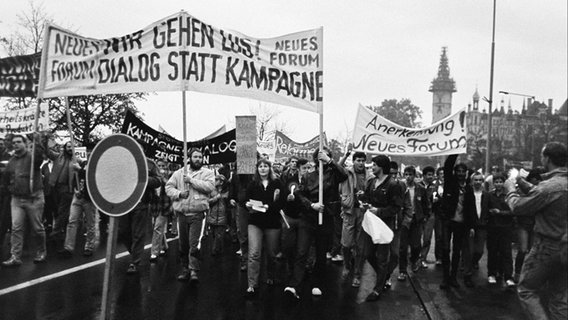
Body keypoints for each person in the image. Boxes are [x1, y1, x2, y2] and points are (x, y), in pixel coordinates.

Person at [504, 142, 567, 320]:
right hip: (565, 248)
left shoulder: (549, 187)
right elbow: (543, 196)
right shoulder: (555, 186)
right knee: (560, 296)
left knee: (526, 289)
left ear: (547, 158)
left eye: (542, 156)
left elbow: (519, 207)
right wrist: (522, 182)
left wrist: (510, 190)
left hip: (546, 248)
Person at [285, 147, 347, 299]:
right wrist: (311, 205)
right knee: (301, 251)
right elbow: (300, 194)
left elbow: (344, 175)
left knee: (320, 254)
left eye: (326, 155)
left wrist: (330, 161)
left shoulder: (334, 175)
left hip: (325, 219)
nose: (323, 158)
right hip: (308, 218)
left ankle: (317, 284)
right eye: (321, 155)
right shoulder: (308, 176)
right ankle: (294, 286)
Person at [166, 148, 215, 282]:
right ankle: (185, 268)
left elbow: (209, 187)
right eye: (195, 157)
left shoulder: (207, 173)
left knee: (194, 244)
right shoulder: (179, 173)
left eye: (200, 157)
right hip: (182, 214)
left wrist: (192, 181)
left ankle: (194, 270)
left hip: (198, 214)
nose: (198, 159)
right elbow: (168, 188)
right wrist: (179, 194)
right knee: (183, 244)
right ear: (190, 158)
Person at [360, 155, 404, 301]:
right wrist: (363, 203)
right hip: (371, 223)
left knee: (382, 257)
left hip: (385, 224)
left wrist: (379, 211)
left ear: (382, 166)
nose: (371, 167)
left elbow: (396, 207)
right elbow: (367, 197)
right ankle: (383, 276)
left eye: (374, 164)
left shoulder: (393, 184)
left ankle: (378, 289)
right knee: (368, 253)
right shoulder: (371, 182)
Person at [1, 134, 47, 267]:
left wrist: (37, 141)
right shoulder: (11, 161)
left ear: (25, 143)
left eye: (18, 142)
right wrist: (10, 188)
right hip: (16, 199)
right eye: (14, 142)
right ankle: (15, 256)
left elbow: (39, 157)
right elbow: (6, 179)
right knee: (16, 228)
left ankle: (41, 252)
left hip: (34, 198)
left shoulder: (32, 158)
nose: (15, 144)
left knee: (37, 228)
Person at [244, 159, 283, 297]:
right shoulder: (253, 184)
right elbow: (245, 200)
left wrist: (268, 207)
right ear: (257, 169)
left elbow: (281, 202)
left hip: (272, 223)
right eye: (260, 166)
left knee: (272, 254)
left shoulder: (277, 183)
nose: (263, 169)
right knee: (254, 253)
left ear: (270, 168)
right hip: (255, 222)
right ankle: (252, 285)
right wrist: (248, 205)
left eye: (265, 166)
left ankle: (271, 275)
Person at [118, 158, 162, 274]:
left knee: (138, 233)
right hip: (124, 202)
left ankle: (134, 262)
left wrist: (144, 179)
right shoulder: (124, 160)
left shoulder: (150, 164)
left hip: (140, 203)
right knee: (122, 231)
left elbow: (158, 180)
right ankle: (135, 252)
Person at [338, 151, 373, 288]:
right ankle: (347, 265)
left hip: (363, 212)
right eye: (358, 160)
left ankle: (357, 274)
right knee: (346, 244)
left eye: (363, 160)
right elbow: (336, 168)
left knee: (360, 246)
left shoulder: (369, 175)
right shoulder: (347, 173)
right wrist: (346, 154)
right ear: (353, 161)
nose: (361, 163)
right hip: (349, 211)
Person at [439, 154, 470, 289]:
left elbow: (471, 208)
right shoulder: (450, 183)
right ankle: (446, 278)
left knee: (457, 251)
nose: (460, 174)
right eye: (458, 171)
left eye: (463, 172)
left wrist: (471, 225)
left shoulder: (469, 188)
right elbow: (447, 166)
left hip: (461, 223)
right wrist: (455, 151)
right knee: (446, 249)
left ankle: (453, 277)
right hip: (448, 220)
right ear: (455, 172)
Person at [58, 158, 97, 257]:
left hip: (90, 199)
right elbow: (77, 178)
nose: (90, 152)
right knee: (72, 221)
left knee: (90, 223)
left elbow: (91, 177)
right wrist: (75, 189)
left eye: (91, 149)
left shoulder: (97, 165)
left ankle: (89, 247)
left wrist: (79, 170)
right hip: (78, 197)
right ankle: (68, 247)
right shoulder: (84, 163)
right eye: (88, 150)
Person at [513, 167, 545, 281]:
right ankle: (517, 274)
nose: (539, 182)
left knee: (532, 251)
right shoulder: (522, 191)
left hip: (535, 225)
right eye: (537, 179)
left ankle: (527, 274)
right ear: (532, 179)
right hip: (524, 224)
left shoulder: (541, 191)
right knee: (523, 249)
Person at [280, 158, 309, 283]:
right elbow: (283, 196)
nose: (307, 171)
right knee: (288, 245)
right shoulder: (290, 181)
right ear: (298, 169)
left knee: (302, 249)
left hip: (305, 218)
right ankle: (290, 267)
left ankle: (298, 276)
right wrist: (287, 198)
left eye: (309, 168)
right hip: (290, 217)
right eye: (304, 168)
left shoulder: (313, 182)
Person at [398, 165, 429, 280]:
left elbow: (426, 204)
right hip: (404, 219)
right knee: (403, 247)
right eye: (406, 174)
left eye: (410, 174)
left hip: (416, 219)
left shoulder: (420, 188)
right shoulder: (400, 187)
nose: (408, 177)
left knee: (416, 245)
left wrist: (425, 216)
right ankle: (402, 270)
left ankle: (414, 260)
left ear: (414, 176)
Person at [486, 173, 515, 287]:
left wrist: (500, 212)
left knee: (506, 252)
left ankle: (508, 276)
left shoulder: (508, 195)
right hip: (492, 226)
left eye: (500, 182)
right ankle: (491, 273)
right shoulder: (489, 195)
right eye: (496, 182)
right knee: (492, 251)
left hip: (505, 227)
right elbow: (485, 208)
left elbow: (513, 212)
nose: (498, 184)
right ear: (493, 183)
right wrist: (490, 212)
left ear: (504, 183)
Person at [462, 171, 490, 287]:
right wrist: (470, 226)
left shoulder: (486, 195)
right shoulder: (468, 194)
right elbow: (466, 211)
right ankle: (467, 274)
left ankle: (472, 263)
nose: (478, 182)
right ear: (472, 181)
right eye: (476, 180)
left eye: (480, 180)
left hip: (482, 225)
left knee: (479, 251)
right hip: (471, 226)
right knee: (469, 250)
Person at [46, 141, 76, 238]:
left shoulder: (77, 160)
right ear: (65, 148)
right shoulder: (58, 156)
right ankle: (61, 228)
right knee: (57, 210)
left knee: (62, 211)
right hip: (55, 188)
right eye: (68, 147)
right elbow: (47, 152)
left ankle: (56, 232)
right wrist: (43, 140)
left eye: (72, 147)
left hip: (67, 189)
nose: (70, 148)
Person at [149, 159, 173, 262]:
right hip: (154, 206)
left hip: (164, 206)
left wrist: (163, 179)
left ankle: (154, 252)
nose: (161, 168)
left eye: (163, 166)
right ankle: (164, 246)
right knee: (157, 227)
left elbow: (171, 190)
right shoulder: (153, 177)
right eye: (159, 166)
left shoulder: (170, 178)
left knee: (157, 228)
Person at [419, 166, 437, 268]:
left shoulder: (434, 187)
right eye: (429, 175)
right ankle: (415, 257)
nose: (431, 177)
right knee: (417, 239)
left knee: (427, 238)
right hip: (419, 215)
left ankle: (423, 258)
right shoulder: (418, 185)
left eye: (432, 175)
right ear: (424, 175)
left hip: (430, 215)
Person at [207, 174, 229, 256]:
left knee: (219, 236)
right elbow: (207, 201)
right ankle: (219, 250)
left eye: (216, 180)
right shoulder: (211, 190)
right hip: (212, 216)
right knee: (213, 235)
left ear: (221, 182)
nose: (214, 181)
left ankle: (215, 251)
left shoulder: (227, 191)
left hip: (222, 217)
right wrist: (216, 198)